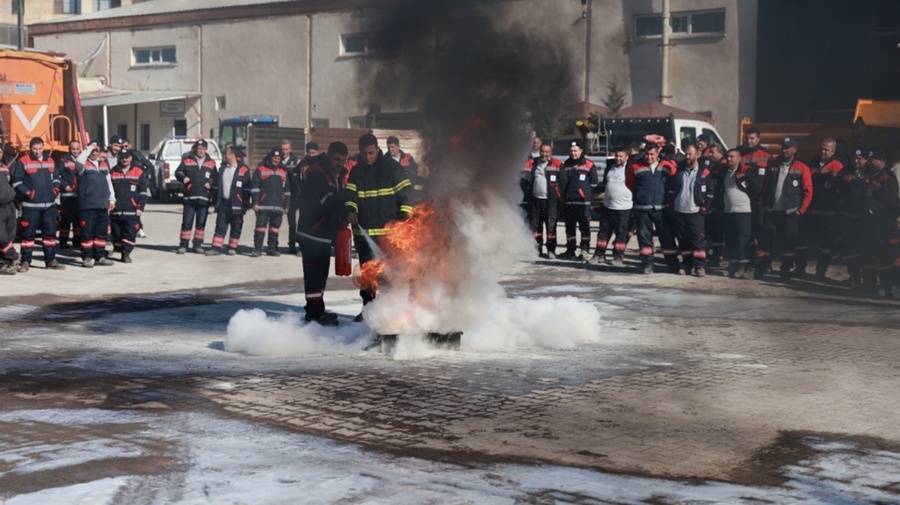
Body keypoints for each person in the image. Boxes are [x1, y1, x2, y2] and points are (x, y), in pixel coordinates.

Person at [343, 133, 412, 319]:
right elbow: (350, 196)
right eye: (364, 153)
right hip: (363, 234)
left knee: (390, 275)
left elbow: (406, 195)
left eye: (371, 153)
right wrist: (350, 210)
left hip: (388, 235)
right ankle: (369, 311)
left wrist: (404, 219)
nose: (368, 157)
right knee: (367, 276)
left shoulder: (392, 168)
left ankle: (392, 312)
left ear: (377, 149)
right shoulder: (357, 171)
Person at [297, 142, 350, 326]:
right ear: (328, 156)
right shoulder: (317, 173)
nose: (339, 164)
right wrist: (345, 213)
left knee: (321, 275)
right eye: (336, 160)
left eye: (343, 161)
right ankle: (313, 315)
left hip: (324, 234)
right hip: (311, 232)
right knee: (313, 275)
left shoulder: (335, 173)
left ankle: (318, 311)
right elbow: (327, 200)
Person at [754, 137, 813, 280]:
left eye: (787, 147)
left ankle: (785, 269)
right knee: (766, 241)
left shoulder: (801, 167)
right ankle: (764, 266)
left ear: (795, 149)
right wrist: (763, 205)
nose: (784, 150)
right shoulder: (773, 164)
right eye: (783, 147)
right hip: (772, 210)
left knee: (789, 243)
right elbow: (766, 186)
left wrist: (800, 210)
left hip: (790, 212)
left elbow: (808, 191)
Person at [12, 137, 64, 272]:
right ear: (30, 148)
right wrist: (30, 194)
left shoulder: (50, 160)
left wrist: (56, 189)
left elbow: (57, 178)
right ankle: (25, 262)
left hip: (49, 206)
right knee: (28, 235)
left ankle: (50, 261)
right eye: (35, 149)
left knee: (50, 235)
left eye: (40, 148)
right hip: (31, 207)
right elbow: (17, 182)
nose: (37, 152)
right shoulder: (23, 161)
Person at [626, 143, 679, 274]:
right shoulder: (635, 165)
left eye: (652, 154)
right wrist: (641, 195)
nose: (649, 157)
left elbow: (674, 182)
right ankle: (647, 264)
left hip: (662, 209)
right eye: (647, 154)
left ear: (658, 153)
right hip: (642, 208)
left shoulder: (667, 166)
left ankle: (673, 265)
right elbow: (629, 183)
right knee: (644, 237)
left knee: (667, 237)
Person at [795, 138, 844, 278]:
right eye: (822, 148)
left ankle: (821, 271)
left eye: (826, 149)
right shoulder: (812, 164)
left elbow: (841, 190)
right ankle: (800, 268)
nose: (823, 151)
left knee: (825, 245)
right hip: (809, 211)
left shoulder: (838, 167)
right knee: (802, 242)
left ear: (833, 151)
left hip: (827, 214)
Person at [667, 145, 712, 277]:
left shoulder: (704, 171)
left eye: (690, 154)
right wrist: (671, 204)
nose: (687, 157)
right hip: (679, 210)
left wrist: (704, 207)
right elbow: (672, 187)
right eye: (686, 154)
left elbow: (710, 191)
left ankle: (700, 266)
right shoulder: (679, 169)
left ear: (697, 154)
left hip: (695, 212)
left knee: (697, 240)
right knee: (683, 240)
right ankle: (687, 265)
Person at [860, 148, 899, 295]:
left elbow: (890, 203)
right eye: (870, 160)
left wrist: (878, 214)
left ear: (882, 160)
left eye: (874, 160)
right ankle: (869, 283)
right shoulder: (874, 176)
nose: (871, 162)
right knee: (868, 254)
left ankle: (885, 285)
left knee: (881, 256)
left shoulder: (887, 178)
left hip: (880, 224)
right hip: (869, 223)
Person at [74, 142, 116, 267]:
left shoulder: (104, 165)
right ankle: (87, 257)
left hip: (102, 204)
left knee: (101, 233)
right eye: (93, 151)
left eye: (97, 151)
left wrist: (112, 199)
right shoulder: (83, 165)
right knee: (87, 232)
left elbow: (109, 183)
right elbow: (79, 160)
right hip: (88, 205)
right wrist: (90, 147)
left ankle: (100, 256)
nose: (94, 153)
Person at [589, 148, 632, 266]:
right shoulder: (610, 167)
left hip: (624, 207)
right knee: (603, 232)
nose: (618, 158)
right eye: (616, 156)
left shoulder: (630, 169)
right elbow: (605, 184)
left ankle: (618, 256)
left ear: (626, 157)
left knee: (621, 233)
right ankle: (599, 254)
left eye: (621, 156)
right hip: (608, 206)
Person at [521, 142, 565, 259]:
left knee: (551, 227)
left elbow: (563, 183)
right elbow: (525, 178)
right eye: (542, 151)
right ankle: (537, 249)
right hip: (536, 200)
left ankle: (551, 250)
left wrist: (559, 198)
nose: (544, 154)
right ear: (539, 151)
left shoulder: (557, 164)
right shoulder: (533, 163)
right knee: (536, 226)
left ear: (550, 153)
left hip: (551, 202)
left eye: (546, 152)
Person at [838, 149, 874, 289]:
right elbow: (839, 190)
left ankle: (869, 281)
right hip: (847, 217)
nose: (856, 161)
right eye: (854, 157)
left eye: (859, 158)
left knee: (866, 250)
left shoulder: (871, 173)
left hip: (864, 218)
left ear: (866, 160)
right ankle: (854, 277)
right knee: (850, 249)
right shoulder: (845, 171)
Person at [207, 144, 251, 256]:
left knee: (236, 226)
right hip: (223, 203)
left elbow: (247, 189)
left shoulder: (243, 170)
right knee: (220, 225)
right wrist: (214, 202)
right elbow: (217, 187)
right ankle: (216, 248)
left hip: (237, 204)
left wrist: (245, 205)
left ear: (232, 155)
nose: (224, 155)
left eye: (227, 153)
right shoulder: (222, 169)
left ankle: (232, 248)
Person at [175, 139, 218, 254]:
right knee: (187, 222)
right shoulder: (187, 160)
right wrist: (183, 178)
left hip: (204, 198)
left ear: (206, 149)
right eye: (199, 149)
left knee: (201, 223)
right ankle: (183, 245)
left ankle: (197, 245)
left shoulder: (211, 163)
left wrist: (210, 182)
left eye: (203, 149)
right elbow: (178, 172)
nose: (201, 151)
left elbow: (216, 177)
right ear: (195, 149)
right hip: (189, 197)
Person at [559, 140, 599, 260]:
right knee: (569, 228)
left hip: (583, 203)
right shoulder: (565, 165)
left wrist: (584, 192)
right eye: (571, 151)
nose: (573, 153)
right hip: (569, 202)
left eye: (575, 151)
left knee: (584, 228)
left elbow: (594, 183)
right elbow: (562, 183)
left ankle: (585, 251)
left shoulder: (589, 164)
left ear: (581, 151)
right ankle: (570, 250)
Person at [108, 149, 148, 263]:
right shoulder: (113, 171)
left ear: (131, 158)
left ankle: (126, 253)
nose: (124, 159)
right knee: (116, 234)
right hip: (115, 211)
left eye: (127, 157)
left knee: (130, 233)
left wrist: (140, 207)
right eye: (122, 157)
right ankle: (118, 247)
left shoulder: (138, 172)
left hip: (132, 211)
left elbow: (143, 192)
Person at [250, 147, 290, 257]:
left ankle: (271, 249)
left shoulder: (284, 171)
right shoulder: (261, 168)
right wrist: (256, 202)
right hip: (263, 205)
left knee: (274, 229)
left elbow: (287, 190)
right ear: (270, 157)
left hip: (278, 206)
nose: (276, 160)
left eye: (278, 158)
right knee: (260, 228)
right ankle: (257, 249)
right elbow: (255, 187)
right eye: (274, 157)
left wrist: (286, 205)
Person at [721, 148, 753, 278]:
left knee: (742, 239)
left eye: (732, 157)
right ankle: (733, 264)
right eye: (728, 157)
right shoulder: (726, 172)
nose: (729, 159)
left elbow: (755, 188)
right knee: (730, 239)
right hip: (729, 211)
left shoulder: (746, 171)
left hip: (743, 211)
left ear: (739, 158)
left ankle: (743, 266)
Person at [740, 127, 771, 266]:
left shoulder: (767, 156)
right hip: (744, 200)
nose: (749, 141)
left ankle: (764, 263)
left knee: (762, 233)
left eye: (752, 138)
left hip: (760, 200)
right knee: (747, 231)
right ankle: (749, 259)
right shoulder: (741, 154)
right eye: (747, 138)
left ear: (758, 139)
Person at [122, 138, 154, 238]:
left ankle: (139, 228)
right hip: (124, 185)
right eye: (122, 147)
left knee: (136, 207)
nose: (124, 148)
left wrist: (142, 177)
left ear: (130, 146)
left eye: (126, 146)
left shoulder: (137, 155)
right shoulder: (120, 158)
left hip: (137, 185)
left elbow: (150, 166)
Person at [704, 145, 726, 267]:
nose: (710, 155)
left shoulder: (723, 166)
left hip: (719, 204)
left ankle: (717, 256)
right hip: (715, 203)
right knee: (713, 232)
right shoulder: (716, 165)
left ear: (720, 152)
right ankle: (715, 256)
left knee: (717, 233)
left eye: (712, 152)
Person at [57, 140, 82, 249]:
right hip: (67, 196)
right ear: (69, 149)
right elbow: (56, 175)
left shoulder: (82, 160)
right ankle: (63, 242)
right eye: (73, 149)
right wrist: (64, 186)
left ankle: (77, 241)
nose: (75, 151)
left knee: (77, 220)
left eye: (77, 149)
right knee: (66, 220)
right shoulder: (64, 160)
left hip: (79, 195)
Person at [281, 139, 303, 255]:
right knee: (281, 222)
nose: (284, 152)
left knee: (295, 223)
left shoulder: (297, 162)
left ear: (290, 150)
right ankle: (273, 245)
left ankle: (294, 245)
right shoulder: (276, 160)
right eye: (283, 149)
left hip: (295, 196)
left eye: (286, 149)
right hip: (281, 195)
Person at [387, 135, 422, 203]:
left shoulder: (408, 158)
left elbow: (414, 174)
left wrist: (409, 187)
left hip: (407, 193)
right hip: (392, 195)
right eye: (388, 147)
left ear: (398, 147)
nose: (390, 149)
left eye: (392, 147)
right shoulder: (385, 160)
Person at [0, 150, 17, 274]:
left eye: (0, 151)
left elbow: (11, 183)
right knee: (1, 236)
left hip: (9, 205)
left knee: (10, 233)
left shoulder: (5, 167)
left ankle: (4, 263)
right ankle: (12, 255)